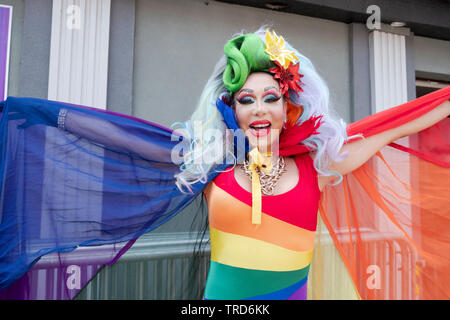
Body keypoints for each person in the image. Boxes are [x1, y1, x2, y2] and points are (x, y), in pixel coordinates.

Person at [0, 27, 449, 300]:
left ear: (288, 106)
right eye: (246, 99)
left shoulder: (320, 162)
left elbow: (394, 126)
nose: (259, 110)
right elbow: (127, 141)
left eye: (271, 98)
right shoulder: (210, 162)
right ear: (231, 108)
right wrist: (46, 117)